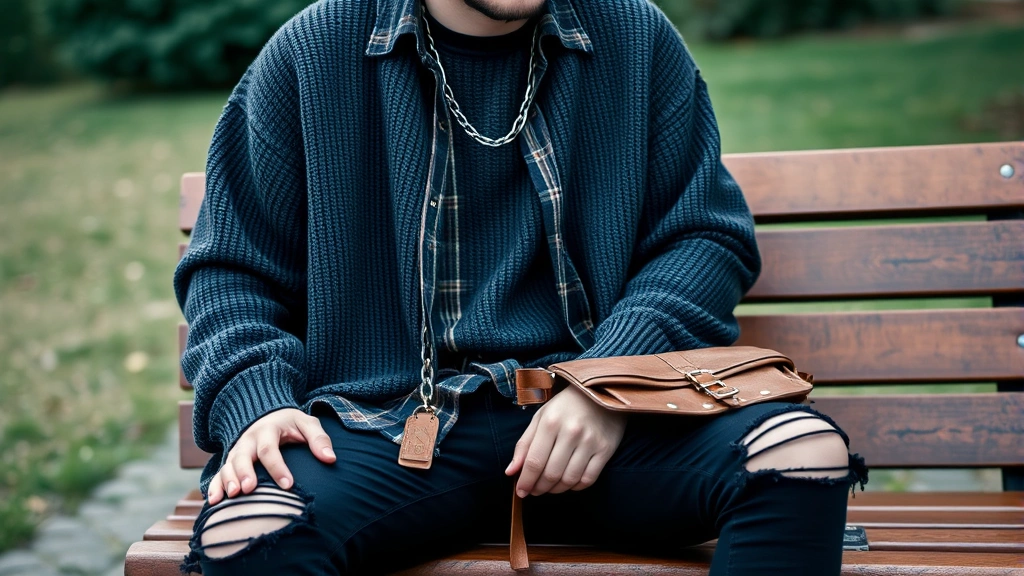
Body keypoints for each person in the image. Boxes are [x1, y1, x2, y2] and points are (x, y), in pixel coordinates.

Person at [173, 0, 868, 574]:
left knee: (801, 456)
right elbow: (231, 270)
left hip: (602, 426)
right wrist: (256, 400)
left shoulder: (635, 36)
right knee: (252, 533)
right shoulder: (313, 51)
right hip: (388, 431)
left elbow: (702, 238)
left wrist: (605, 382)